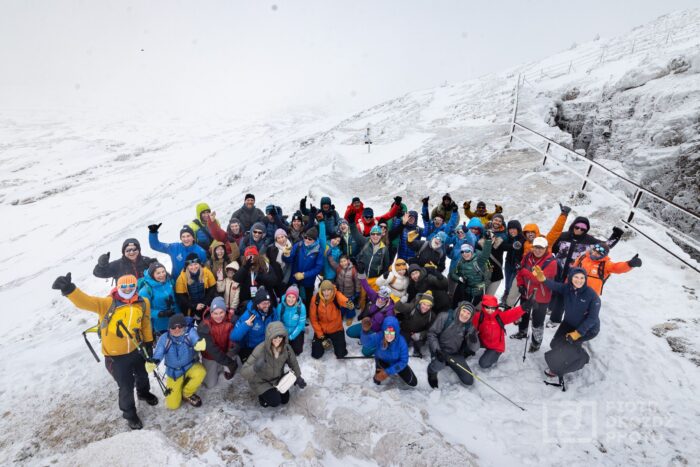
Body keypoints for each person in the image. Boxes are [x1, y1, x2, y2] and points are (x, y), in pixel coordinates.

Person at [52, 273, 157, 430]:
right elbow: (86, 302)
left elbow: (145, 323)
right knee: (126, 385)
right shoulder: (108, 303)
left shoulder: (143, 302)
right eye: (124, 286)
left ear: (136, 287)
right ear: (118, 287)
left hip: (137, 348)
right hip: (115, 355)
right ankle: (130, 414)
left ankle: (143, 393)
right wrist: (70, 289)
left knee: (143, 374)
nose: (128, 289)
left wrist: (148, 342)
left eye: (131, 286)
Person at [532, 266, 601, 349]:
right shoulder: (567, 288)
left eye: (582, 278)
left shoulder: (592, 295)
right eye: (576, 277)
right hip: (569, 323)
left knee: (566, 350)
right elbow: (554, 285)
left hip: (587, 329)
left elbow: (592, 318)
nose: (579, 280)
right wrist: (543, 279)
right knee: (554, 345)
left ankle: (579, 356)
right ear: (571, 277)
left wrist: (578, 333)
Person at [510, 236, 558, 352]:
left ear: (546, 248)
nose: (538, 250)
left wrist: (523, 271)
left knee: (537, 322)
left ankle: (536, 343)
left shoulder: (551, 262)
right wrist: (520, 285)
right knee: (523, 315)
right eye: (536, 247)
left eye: (541, 248)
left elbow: (538, 279)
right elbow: (519, 273)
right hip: (526, 293)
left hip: (541, 298)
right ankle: (522, 332)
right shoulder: (527, 257)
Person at [241, 321, 306, 408]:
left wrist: (298, 377)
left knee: (285, 400)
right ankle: (262, 396)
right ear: (269, 337)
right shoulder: (260, 349)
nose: (278, 340)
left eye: (280, 337)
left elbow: (293, 362)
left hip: (277, 379)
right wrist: (255, 367)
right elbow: (243, 372)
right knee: (275, 402)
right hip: (261, 381)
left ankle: (273, 392)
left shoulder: (286, 348)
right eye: (275, 337)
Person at [148, 314, 207, 409]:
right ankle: (180, 385)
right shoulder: (164, 338)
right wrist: (153, 362)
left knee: (201, 372)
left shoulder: (190, 332)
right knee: (173, 405)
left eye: (180, 326)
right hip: (174, 373)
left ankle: (187, 393)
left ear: (184, 326)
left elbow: (195, 338)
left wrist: (198, 343)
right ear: (169, 328)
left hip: (190, 366)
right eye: (173, 327)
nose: (177, 329)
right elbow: (159, 353)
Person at [426, 302, 481, 388]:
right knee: (439, 364)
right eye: (464, 311)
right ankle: (431, 371)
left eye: (468, 313)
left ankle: (449, 362)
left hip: (454, 354)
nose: (465, 315)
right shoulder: (444, 317)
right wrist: (437, 350)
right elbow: (432, 334)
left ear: (471, 316)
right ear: (459, 310)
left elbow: (475, 348)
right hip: (440, 350)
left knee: (468, 380)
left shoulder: (469, 326)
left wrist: (473, 339)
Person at [360, 316, 417, 387]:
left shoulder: (401, 341)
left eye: (392, 332)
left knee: (413, 382)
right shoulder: (379, 336)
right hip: (382, 361)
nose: (389, 335)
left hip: (397, 363)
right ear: (384, 331)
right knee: (376, 380)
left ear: (396, 332)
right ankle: (379, 369)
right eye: (387, 332)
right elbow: (366, 344)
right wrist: (365, 331)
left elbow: (404, 361)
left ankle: (390, 370)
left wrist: (387, 372)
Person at [471, 295, 524, 368]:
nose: (490, 310)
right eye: (487, 307)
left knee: (483, 363)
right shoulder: (479, 316)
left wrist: (525, 307)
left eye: (492, 308)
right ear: (483, 306)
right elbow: (469, 324)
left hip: (495, 347)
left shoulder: (500, 316)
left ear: (496, 307)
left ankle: (493, 355)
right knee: (469, 340)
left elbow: (513, 313)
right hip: (484, 341)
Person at [198, 297, 238, 389]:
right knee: (210, 384)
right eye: (215, 313)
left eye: (221, 312)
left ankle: (227, 366)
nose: (218, 316)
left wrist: (231, 354)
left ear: (225, 311)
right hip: (211, 356)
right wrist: (229, 362)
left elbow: (236, 340)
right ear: (211, 313)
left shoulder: (233, 320)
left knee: (234, 349)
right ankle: (224, 365)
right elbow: (212, 350)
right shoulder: (204, 326)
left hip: (227, 353)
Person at [346, 277, 395, 351]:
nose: (380, 300)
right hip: (367, 325)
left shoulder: (389, 312)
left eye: (383, 298)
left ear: (387, 298)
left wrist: (385, 339)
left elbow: (389, 327)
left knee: (365, 351)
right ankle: (363, 338)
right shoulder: (375, 297)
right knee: (349, 331)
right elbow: (366, 287)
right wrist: (361, 274)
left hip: (376, 332)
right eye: (380, 296)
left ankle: (376, 344)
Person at [572, 244, 641, 295]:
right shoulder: (583, 257)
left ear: (603, 256)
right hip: (574, 290)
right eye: (594, 251)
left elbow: (617, 268)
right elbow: (572, 271)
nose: (594, 254)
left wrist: (629, 264)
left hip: (590, 295)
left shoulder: (605, 264)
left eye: (598, 253)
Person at [283, 226, 324, 312]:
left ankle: (307, 314)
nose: (307, 240)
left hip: (308, 280)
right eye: (305, 237)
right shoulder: (298, 245)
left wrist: (304, 275)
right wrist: (286, 255)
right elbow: (289, 260)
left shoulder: (319, 250)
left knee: (308, 298)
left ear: (315, 240)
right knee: (293, 297)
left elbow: (318, 268)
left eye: (310, 239)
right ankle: (294, 313)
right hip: (295, 277)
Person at [230, 287, 277, 362]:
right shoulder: (248, 315)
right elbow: (233, 337)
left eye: (268, 302)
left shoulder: (272, 312)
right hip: (251, 347)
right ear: (257, 304)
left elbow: (277, 326)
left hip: (265, 344)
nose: (267, 306)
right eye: (264, 303)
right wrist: (245, 325)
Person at [309, 280, 351, 359]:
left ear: (332, 290)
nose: (326, 293)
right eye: (324, 290)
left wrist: (347, 303)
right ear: (321, 291)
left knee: (341, 354)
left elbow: (342, 299)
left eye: (329, 290)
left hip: (336, 329)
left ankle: (336, 343)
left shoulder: (336, 296)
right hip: (322, 330)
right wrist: (321, 336)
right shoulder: (315, 299)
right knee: (316, 354)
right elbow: (313, 320)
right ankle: (322, 341)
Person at [450, 234, 493, 307]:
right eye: (462, 252)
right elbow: (452, 273)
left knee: (469, 309)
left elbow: (485, 254)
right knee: (460, 307)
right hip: (465, 291)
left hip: (476, 293)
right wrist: (459, 278)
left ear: (471, 251)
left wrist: (488, 240)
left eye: (467, 251)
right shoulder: (461, 262)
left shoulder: (478, 261)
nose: (464, 254)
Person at [138, 262, 180, 337]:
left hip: (177, 320)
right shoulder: (146, 290)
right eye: (158, 273)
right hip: (161, 325)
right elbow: (143, 310)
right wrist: (160, 313)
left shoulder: (169, 281)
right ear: (152, 275)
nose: (162, 275)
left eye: (163, 271)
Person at [234, 246, 280, 311]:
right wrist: (245, 267)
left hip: (264, 298)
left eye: (253, 255)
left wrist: (260, 276)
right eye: (248, 256)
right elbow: (236, 278)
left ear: (257, 256)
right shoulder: (244, 266)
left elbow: (274, 281)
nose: (251, 257)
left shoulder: (265, 265)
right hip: (248, 299)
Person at [394, 290, 437, 358]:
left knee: (419, 345)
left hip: (418, 334)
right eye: (424, 304)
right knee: (400, 346)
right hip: (406, 330)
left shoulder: (432, 316)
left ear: (431, 307)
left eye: (428, 306)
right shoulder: (412, 307)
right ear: (420, 303)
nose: (425, 307)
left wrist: (421, 335)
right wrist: (401, 301)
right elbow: (397, 307)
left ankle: (416, 351)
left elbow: (430, 330)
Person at [174, 253, 217, 321]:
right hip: (191, 306)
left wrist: (204, 303)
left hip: (205, 302)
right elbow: (181, 296)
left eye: (196, 264)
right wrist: (193, 306)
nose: (194, 267)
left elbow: (212, 288)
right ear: (187, 266)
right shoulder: (182, 277)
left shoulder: (206, 272)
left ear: (199, 264)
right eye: (191, 265)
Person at [273, 285, 307, 355]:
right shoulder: (280, 306)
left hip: (296, 330)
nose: (290, 300)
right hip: (284, 330)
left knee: (297, 351)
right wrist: (283, 335)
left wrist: (291, 337)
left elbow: (301, 325)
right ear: (286, 296)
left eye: (293, 297)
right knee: (279, 350)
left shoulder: (301, 307)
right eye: (289, 296)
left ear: (296, 298)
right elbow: (278, 322)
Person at [334, 254, 361, 326]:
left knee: (350, 306)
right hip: (341, 292)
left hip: (350, 293)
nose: (343, 263)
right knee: (342, 305)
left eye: (344, 261)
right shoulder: (339, 269)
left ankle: (350, 317)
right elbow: (337, 279)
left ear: (348, 261)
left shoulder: (353, 270)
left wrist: (357, 291)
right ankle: (341, 314)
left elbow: (357, 281)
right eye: (341, 262)